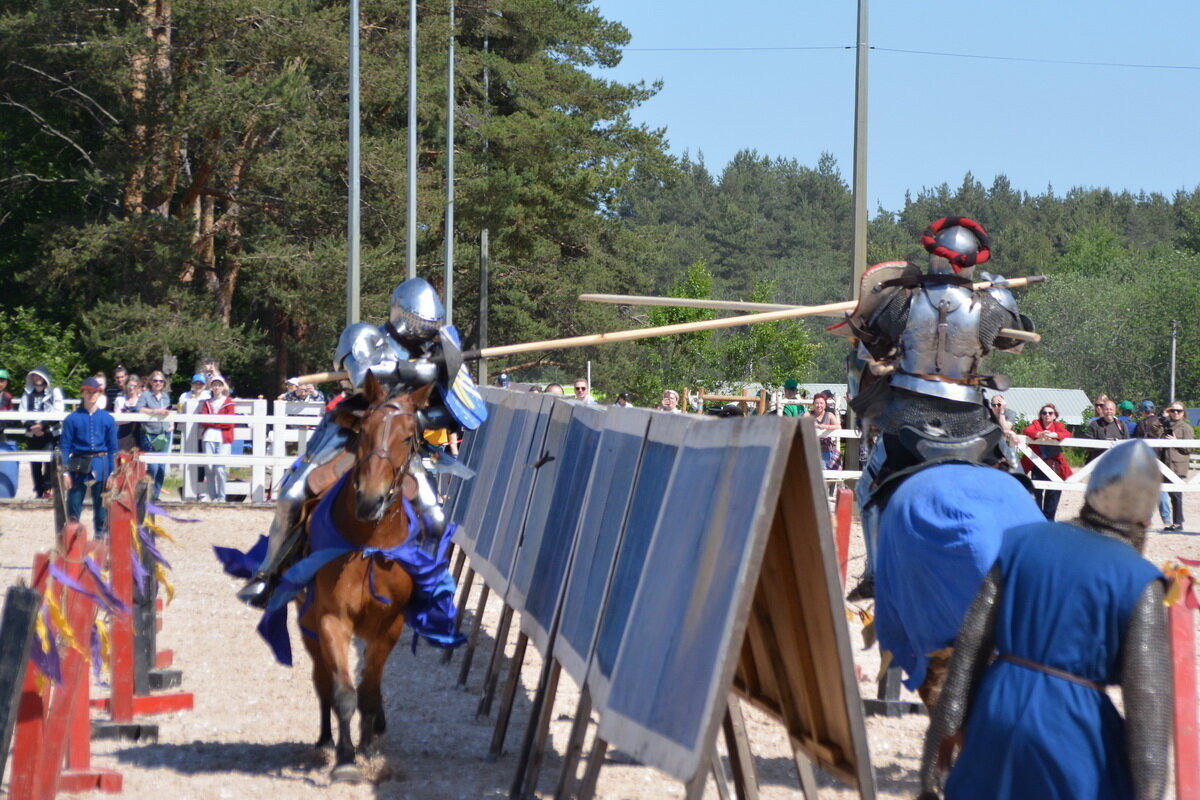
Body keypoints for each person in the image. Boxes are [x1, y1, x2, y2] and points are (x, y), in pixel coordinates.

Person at [919, 441, 1171, 800]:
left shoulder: (1023, 542)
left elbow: (969, 652)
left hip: (997, 706)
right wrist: (1150, 791)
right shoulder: (1139, 579)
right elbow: (1148, 703)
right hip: (1068, 723)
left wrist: (932, 767)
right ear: (1146, 515)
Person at [235, 277, 487, 608]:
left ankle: (422, 586)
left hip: (399, 439)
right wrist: (412, 371)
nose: (423, 331)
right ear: (402, 312)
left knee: (435, 518)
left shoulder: (438, 352)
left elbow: (457, 412)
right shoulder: (364, 335)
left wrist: (424, 416)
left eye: (429, 325)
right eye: (419, 323)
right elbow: (362, 375)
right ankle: (268, 574)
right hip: (352, 428)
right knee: (292, 496)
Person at [834, 216, 1033, 601]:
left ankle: (875, 574)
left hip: (908, 416)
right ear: (973, 260)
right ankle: (1031, 565)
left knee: (867, 492)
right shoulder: (991, 301)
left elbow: (869, 350)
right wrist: (1001, 292)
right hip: (971, 416)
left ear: (934, 256)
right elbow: (1015, 343)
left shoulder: (901, 299)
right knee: (1018, 483)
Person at [60, 377, 118, 535]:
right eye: (89, 392)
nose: (92, 395)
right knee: (74, 507)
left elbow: (113, 448)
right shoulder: (72, 419)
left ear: (99, 394)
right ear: (83, 393)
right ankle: (72, 544)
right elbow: (64, 446)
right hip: (78, 463)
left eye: (95, 392)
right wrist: (65, 471)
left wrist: (112, 472)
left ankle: (100, 542)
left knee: (102, 510)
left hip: (101, 464)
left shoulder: (107, 419)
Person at [1020, 403, 1073, 520]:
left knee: (1053, 496)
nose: (1047, 415)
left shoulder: (1058, 425)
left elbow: (1067, 434)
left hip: (1055, 467)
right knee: (1036, 495)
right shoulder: (1036, 424)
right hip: (1037, 465)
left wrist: (1055, 435)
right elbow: (1027, 430)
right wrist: (1039, 434)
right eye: (1044, 413)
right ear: (1041, 415)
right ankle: (1039, 521)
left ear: (1055, 416)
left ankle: (1049, 522)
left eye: (1050, 413)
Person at [20, 367, 64, 499]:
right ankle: (38, 491)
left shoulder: (54, 392)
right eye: (35, 376)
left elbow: (58, 411)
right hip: (32, 434)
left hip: (49, 433)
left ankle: (48, 489)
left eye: (40, 376)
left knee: (49, 462)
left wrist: (42, 426)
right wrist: (32, 427)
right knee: (35, 464)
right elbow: (22, 413)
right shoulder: (27, 393)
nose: (37, 378)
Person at [1133, 400, 1171, 528]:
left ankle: (1147, 519)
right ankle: (1167, 520)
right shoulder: (1160, 421)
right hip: (1159, 459)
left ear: (1143, 411)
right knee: (1161, 490)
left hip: (1144, 460)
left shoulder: (1140, 424)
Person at [136, 370, 173, 500]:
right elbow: (139, 409)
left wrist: (171, 423)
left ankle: (155, 495)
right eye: (155, 380)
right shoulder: (145, 395)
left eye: (161, 381)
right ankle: (148, 494)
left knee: (162, 467)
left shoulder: (165, 396)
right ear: (151, 382)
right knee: (152, 467)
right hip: (149, 434)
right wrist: (154, 411)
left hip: (163, 434)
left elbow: (168, 411)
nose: (158, 383)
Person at [199, 374, 236, 501]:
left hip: (223, 437)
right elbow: (203, 421)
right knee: (209, 468)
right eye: (214, 385)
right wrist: (217, 421)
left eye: (219, 385)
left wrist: (214, 421)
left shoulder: (228, 402)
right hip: (208, 437)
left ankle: (222, 496)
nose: (217, 387)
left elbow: (229, 423)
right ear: (211, 387)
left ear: (222, 387)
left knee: (220, 469)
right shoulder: (207, 403)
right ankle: (213, 497)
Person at [1160, 401, 1193, 530]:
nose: (1175, 413)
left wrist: (1176, 442)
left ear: (1183, 413)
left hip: (1178, 466)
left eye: (1178, 411)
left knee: (1176, 494)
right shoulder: (1165, 425)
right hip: (1166, 464)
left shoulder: (1186, 428)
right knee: (1171, 494)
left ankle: (1178, 523)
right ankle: (1178, 521)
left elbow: (1189, 449)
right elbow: (1153, 430)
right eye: (1172, 410)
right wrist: (1162, 416)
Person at [177, 373, 210, 500]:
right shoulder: (184, 396)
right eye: (196, 384)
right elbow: (180, 411)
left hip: (202, 432)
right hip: (188, 432)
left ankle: (201, 489)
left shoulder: (208, 395)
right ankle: (188, 488)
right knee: (189, 461)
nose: (198, 386)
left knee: (202, 461)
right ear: (192, 384)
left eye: (200, 384)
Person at [1084, 399, 1127, 463]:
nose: (1109, 411)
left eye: (1111, 409)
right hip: (1098, 463)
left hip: (1117, 462)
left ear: (1115, 411)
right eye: (1106, 409)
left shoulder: (1121, 424)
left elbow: (1127, 443)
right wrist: (1103, 445)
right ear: (1103, 411)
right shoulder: (1095, 424)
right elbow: (1087, 443)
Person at [809, 393, 842, 469]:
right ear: (813, 404)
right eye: (817, 403)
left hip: (826, 449)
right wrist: (815, 425)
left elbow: (838, 427)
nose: (819, 405)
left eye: (821, 403)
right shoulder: (809, 414)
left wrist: (826, 427)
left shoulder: (829, 415)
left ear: (825, 405)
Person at [113, 373, 142, 451]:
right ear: (126, 386)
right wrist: (132, 417)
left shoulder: (142, 400)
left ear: (138, 387)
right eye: (129, 385)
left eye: (134, 386)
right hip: (123, 435)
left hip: (138, 434)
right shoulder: (120, 400)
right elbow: (117, 420)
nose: (131, 388)